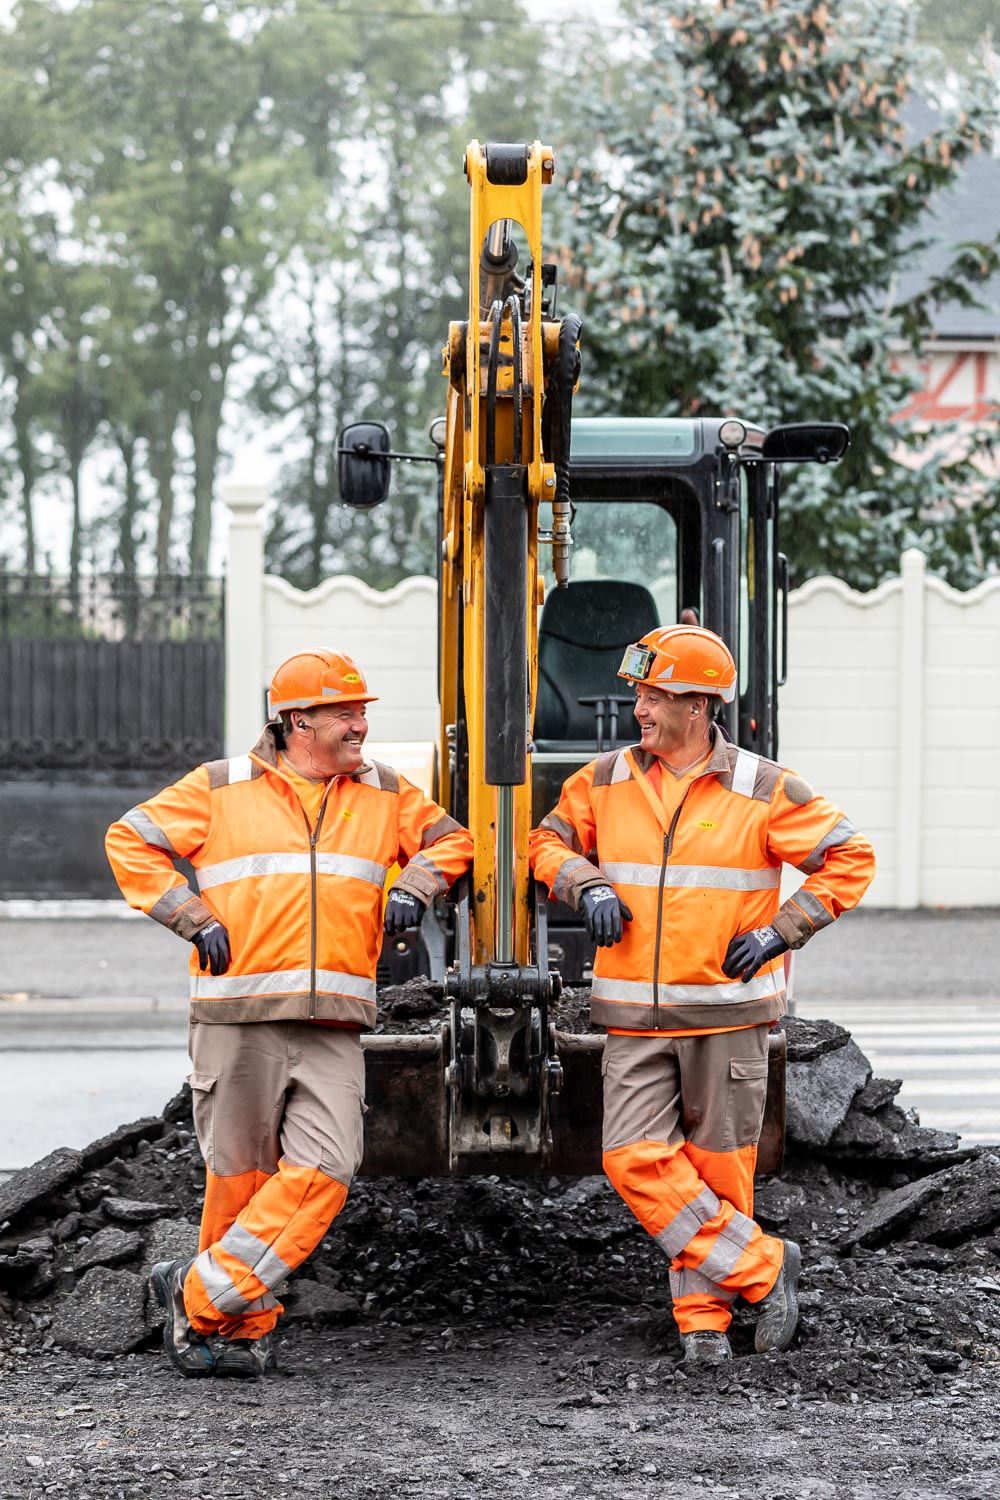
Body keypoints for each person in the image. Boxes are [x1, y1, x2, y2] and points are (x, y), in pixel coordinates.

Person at [106, 648, 473, 1378]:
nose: (361, 725)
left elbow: (453, 840)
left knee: (329, 1166)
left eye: (363, 711)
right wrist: (187, 913)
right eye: (347, 712)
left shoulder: (385, 791)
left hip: (335, 1017)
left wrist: (418, 885)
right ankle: (228, 1332)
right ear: (298, 720)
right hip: (237, 1013)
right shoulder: (221, 787)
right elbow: (131, 839)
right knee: (239, 1179)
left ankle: (196, 1290)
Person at [529, 624, 875, 1363]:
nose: (639, 710)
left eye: (653, 697)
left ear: (697, 705)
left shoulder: (763, 787)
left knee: (719, 1173)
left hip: (727, 1014)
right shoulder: (604, 779)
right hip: (633, 1012)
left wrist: (784, 930)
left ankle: (704, 1327)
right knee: (632, 1158)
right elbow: (545, 843)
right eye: (639, 696)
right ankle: (763, 1267)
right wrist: (583, 882)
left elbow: (849, 856)